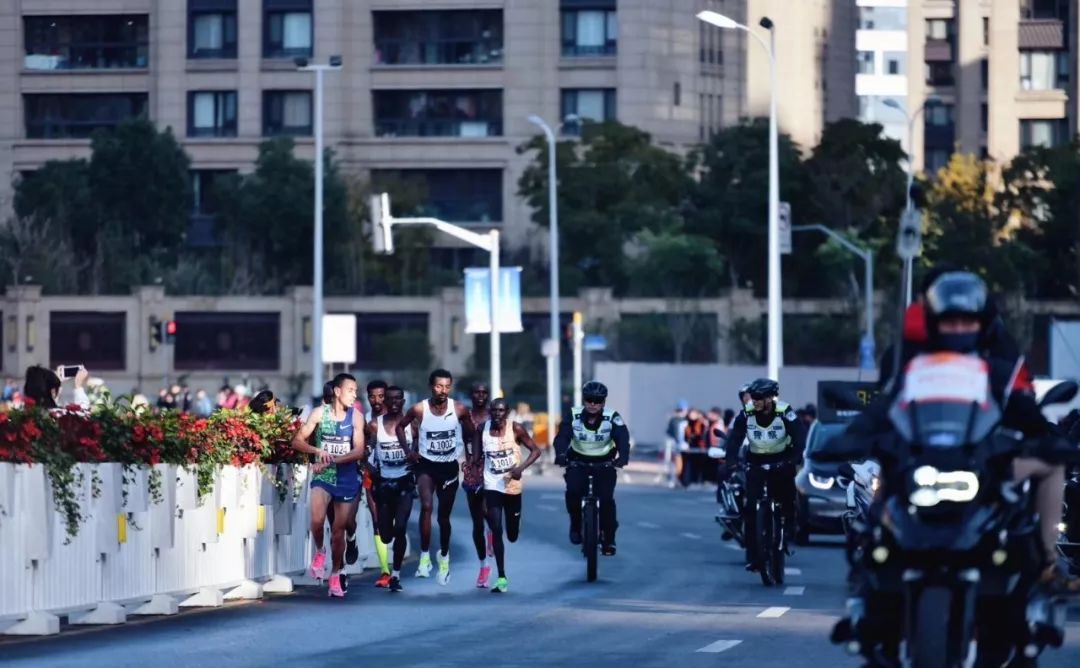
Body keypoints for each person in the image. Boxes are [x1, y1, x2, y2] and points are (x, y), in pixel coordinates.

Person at [828, 270, 1080, 593]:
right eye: (950, 321)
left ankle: (1045, 565)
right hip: (918, 459)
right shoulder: (911, 364)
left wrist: (1056, 444)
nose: (958, 330)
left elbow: (1025, 411)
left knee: (1050, 468)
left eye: (967, 321)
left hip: (985, 460)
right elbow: (883, 408)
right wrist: (848, 438)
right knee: (886, 479)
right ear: (932, 320)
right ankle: (870, 564)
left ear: (983, 323)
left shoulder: (997, 366)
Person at [396, 369, 476, 585]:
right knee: (426, 506)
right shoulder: (419, 409)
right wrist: (408, 452)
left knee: (443, 517)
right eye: (439, 386)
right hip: (425, 465)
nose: (443, 390)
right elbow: (399, 427)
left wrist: (471, 459)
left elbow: (472, 434)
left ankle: (444, 558)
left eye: (447, 386)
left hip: (449, 467)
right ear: (431, 386)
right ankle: (424, 557)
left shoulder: (459, 409)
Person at [290, 373, 366, 598]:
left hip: (346, 478)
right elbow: (297, 440)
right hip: (324, 477)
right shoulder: (318, 414)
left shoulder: (356, 418)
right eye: (351, 390)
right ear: (337, 391)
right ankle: (320, 552)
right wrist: (317, 451)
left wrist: (330, 460)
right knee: (315, 520)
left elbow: (358, 451)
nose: (354, 395)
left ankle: (335, 574)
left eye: (356, 391)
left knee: (338, 531)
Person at [723, 378, 805, 572]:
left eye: (759, 397)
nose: (755, 401)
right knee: (750, 508)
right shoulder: (746, 413)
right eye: (753, 397)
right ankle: (754, 556)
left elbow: (799, 437)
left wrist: (795, 457)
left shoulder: (785, 412)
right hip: (756, 462)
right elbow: (735, 439)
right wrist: (731, 461)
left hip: (782, 461)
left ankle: (788, 530)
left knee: (787, 498)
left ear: (770, 398)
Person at [554, 380, 630, 556]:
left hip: (605, 464)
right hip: (578, 462)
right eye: (589, 400)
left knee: (606, 501)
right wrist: (561, 454)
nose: (593, 404)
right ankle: (575, 524)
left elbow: (623, 439)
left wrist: (623, 458)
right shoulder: (573, 415)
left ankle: (609, 539)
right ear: (584, 400)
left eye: (598, 401)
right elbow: (562, 437)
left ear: (604, 402)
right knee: (573, 492)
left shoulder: (612, 417)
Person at [476, 398, 541, 593]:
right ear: (490, 412)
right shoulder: (483, 429)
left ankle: (515, 523)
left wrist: (520, 468)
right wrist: (474, 471)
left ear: (507, 412)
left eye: (501, 411)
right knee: (496, 529)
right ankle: (502, 576)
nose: (497, 414)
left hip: (512, 485)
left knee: (511, 535)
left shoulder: (517, 429)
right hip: (492, 484)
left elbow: (536, 451)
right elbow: (478, 457)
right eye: (494, 411)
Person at [370, 386, 414, 593]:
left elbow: (421, 449)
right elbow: (364, 454)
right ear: (385, 401)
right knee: (386, 535)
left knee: (401, 528)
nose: (395, 402)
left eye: (399, 398)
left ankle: (395, 575)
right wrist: (372, 471)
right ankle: (392, 566)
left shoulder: (412, 425)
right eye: (391, 399)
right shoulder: (374, 425)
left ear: (403, 401)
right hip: (384, 485)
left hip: (405, 483)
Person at [462, 383, 495, 588]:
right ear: (471, 395)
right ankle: (483, 566)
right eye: (476, 393)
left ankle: (492, 533)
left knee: (488, 511)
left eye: (484, 393)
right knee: (476, 522)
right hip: (472, 471)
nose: (480, 396)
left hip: (492, 470)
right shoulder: (465, 417)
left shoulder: (495, 416)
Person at [360, 379, 391, 588]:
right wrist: (365, 463)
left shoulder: (399, 418)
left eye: (381, 396)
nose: (377, 400)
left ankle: (394, 567)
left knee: (394, 522)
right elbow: (360, 448)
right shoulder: (363, 421)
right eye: (372, 396)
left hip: (396, 476)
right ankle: (385, 571)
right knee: (377, 520)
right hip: (372, 477)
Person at [24, 365, 90, 411]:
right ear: (52, 392)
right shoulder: (55, 415)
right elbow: (83, 414)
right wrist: (78, 386)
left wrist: (55, 382)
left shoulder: (21, 416)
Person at [682, 408, 709, 487]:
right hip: (691, 449)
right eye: (691, 414)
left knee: (698, 466)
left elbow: (701, 436)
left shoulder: (701, 424)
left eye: (693, 414)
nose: (692, 416)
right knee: (690, 466)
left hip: (700, 449)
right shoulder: (687, 424)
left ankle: (698, 481)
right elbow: (686, 436)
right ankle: (690, 482)